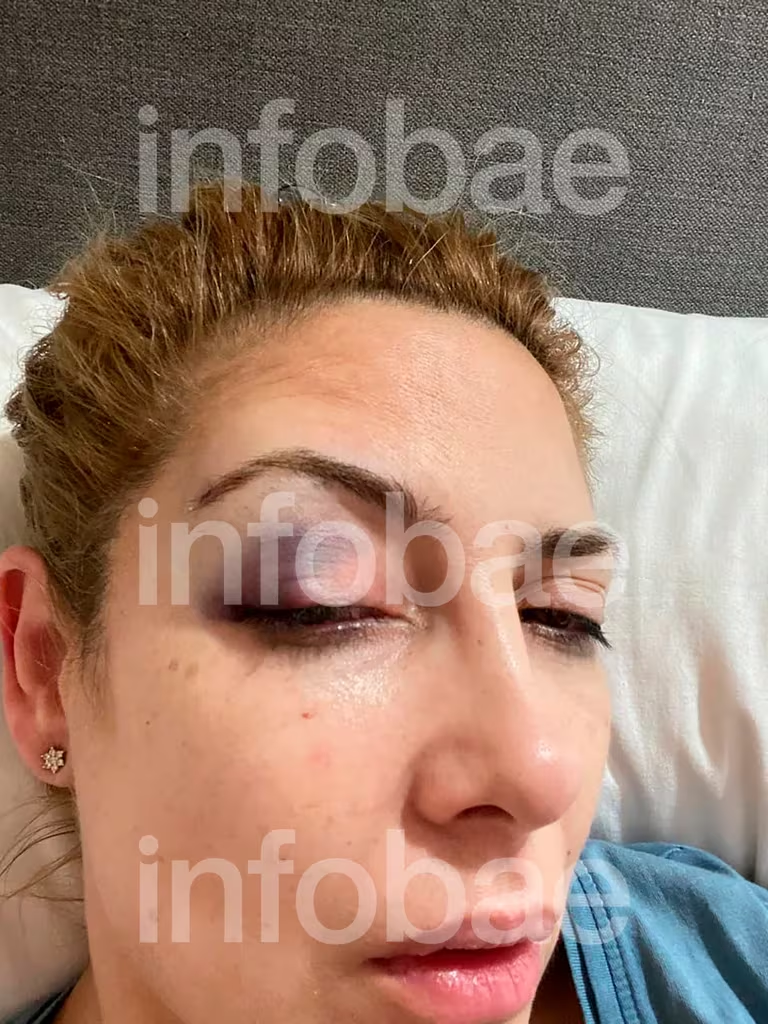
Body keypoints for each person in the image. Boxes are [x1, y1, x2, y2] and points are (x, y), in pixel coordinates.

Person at [0, 181, 766, 1024]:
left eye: (561, 617)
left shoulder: (717, 949)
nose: (537, 771)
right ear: (44, 666)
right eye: (324, 602)